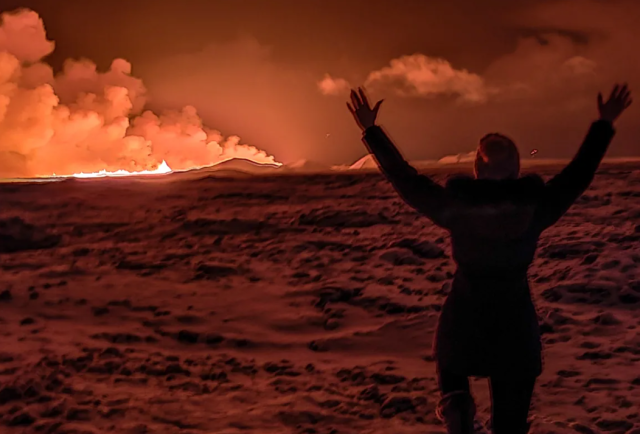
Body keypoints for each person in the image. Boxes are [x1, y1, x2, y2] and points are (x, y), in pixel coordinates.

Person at [346, 85, 632, 434]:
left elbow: (405, 180)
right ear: (516, 169)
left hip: (464, 318)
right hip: (515, 326)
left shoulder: (456, 207)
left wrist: (372, 131)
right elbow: (578, 174)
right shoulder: (535, 207)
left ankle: (459, 414)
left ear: (477, 171)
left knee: (452, 377)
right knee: (510, 421)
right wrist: (603, 124)